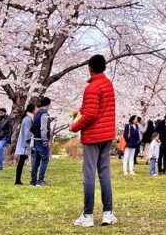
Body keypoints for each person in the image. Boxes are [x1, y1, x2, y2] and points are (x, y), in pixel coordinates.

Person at [71, 54, 117, 228]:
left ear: (90, 68)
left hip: (92, 136)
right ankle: (108, 213)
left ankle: (88, 215)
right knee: (104, 174)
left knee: (89, 175)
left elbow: (91, 113)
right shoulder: (107, 84)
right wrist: (80, 109)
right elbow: (98, 105)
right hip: (106, 135)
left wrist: (74, 127)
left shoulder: (91, 87)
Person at [14, 103, 36, 185]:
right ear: (32, 109)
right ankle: (17, 180)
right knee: (21, 161)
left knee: (21, 161)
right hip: (25, 143)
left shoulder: (28, 118)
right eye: (35, 109)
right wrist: (32, 137)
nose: (36, 110)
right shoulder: (27, 119)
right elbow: (27, 133)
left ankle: (18, 180)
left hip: (25, 143)